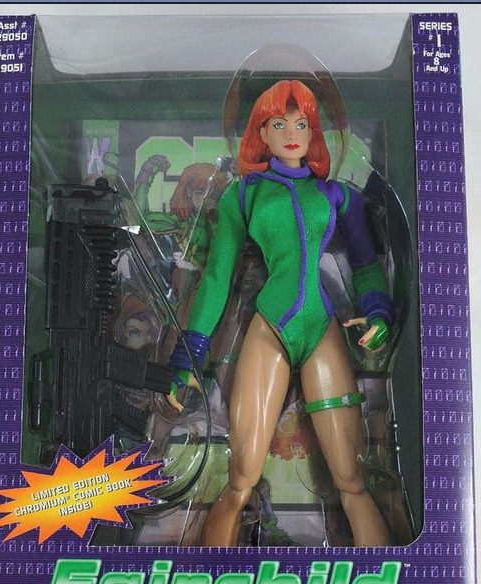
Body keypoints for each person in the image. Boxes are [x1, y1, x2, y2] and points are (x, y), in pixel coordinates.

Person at [167, 79, 394, 548]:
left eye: (302, 124)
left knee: (351, 478)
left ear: (314, 133)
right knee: (242, 474)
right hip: (270, 326)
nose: (291, 133)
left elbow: (367, 265)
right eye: (279, 124)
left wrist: (378, 312)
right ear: (262, 133)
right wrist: (189, 354)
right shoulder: (244, 195)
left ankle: (393, 579)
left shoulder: (337, 196)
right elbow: (216, 279)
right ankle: (208, 579)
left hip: (321, 327)